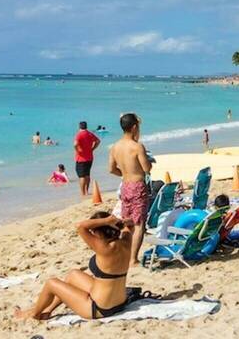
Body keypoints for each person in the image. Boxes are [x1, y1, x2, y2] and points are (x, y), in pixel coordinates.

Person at [14, 212, 132, 321]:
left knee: (51, 283)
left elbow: (80, 226)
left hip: (98, 308)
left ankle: (34, 314)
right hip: (119, 303)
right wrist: (117, 223)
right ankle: (48, 310)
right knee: (73, 275)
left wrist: (107, 220)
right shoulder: (126, 241)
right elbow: (130, 224)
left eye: (93, 231)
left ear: (99, 231)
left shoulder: (103, 247)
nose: (92, 234)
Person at [108, 113, 152, 267]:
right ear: (134, 127)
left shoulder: (115, 147)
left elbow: (111, 169)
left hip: (125, 185)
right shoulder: (137, 146)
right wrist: (148, 162)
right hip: (137, 185)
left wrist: (124, 173)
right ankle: (133, 259)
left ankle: (125, 255)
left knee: (127, 222)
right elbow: (146, 168)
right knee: (139, 223)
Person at [74, 121, 100, 198]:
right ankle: (86, 191)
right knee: (87, 175)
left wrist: (77, 150)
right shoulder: (90, 133)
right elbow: (98, 141)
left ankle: (83, 193)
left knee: (81, 176)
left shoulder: (79, 134)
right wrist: (93, 148)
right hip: (90, 157)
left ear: (79, 127)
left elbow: (75, 144)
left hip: (81, 158)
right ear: (86, 126)